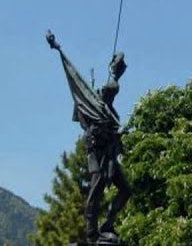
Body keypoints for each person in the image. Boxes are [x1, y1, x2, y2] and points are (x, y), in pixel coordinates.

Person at [47, 31, 131, 244]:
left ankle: (106, 225)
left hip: (109, 156)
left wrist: (118, 134)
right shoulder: (94, 108)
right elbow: (75, 77)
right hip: (97, 153)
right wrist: (58, 48)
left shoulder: (110, 112)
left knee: (125, 190)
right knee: (96, 189)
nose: (112, 95)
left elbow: (111, 129)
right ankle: (92, 232)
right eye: (109, 93)